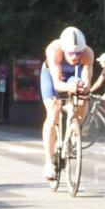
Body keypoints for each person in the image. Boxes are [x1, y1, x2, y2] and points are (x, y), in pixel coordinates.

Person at [41, 26, 94, 179]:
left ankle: (73, 132)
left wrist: (83, 88)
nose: (75, 57)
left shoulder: (87, 53)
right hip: (51, 75)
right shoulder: (54, 50)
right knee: (54, 110)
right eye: (71, 53)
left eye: (78, 53)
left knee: (83, 100)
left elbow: (86, 81)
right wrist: (70, 87)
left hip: (73, 75)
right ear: (64, 49)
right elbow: (57, 84)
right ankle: (49, 163)